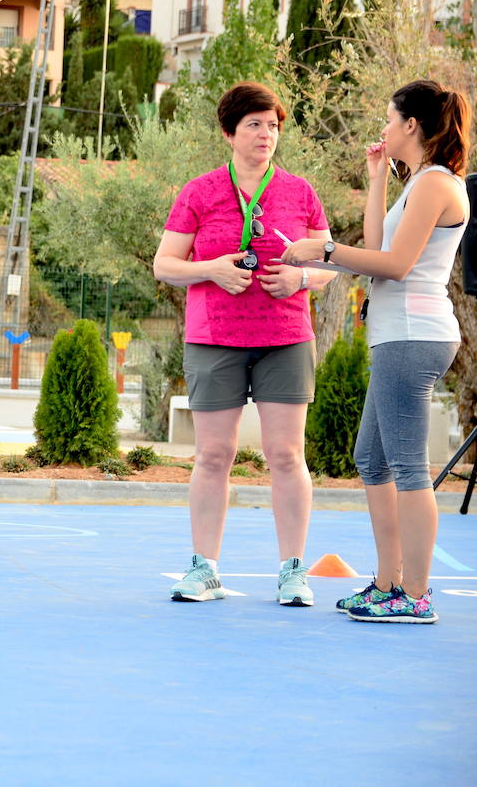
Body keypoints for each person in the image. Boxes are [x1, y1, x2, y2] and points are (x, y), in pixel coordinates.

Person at [283, 80, 472, 624]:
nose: (383, 129)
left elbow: (396, 267)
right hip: (398, 333)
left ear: (411, 125)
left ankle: (413, 595)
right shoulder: (418, 183)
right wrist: (374, 182)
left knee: (408, 468)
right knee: (372, 458)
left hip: (414, 334)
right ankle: (388, 583)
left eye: (389, 119)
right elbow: (375, 252)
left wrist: (322, 248)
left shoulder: (437, 184)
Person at [152, 81, 335, 607]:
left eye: (273, 124)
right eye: (255, 124)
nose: (266, 133)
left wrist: (300, 281)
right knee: (213, 455)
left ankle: (293, 572)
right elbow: (165, 265)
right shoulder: (200, 191)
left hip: (285, 337)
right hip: (214, 338)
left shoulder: (299, 192)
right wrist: (212, 270)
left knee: (285, 453)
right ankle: (204, 569)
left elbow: (327, 263)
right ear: (230, 132)